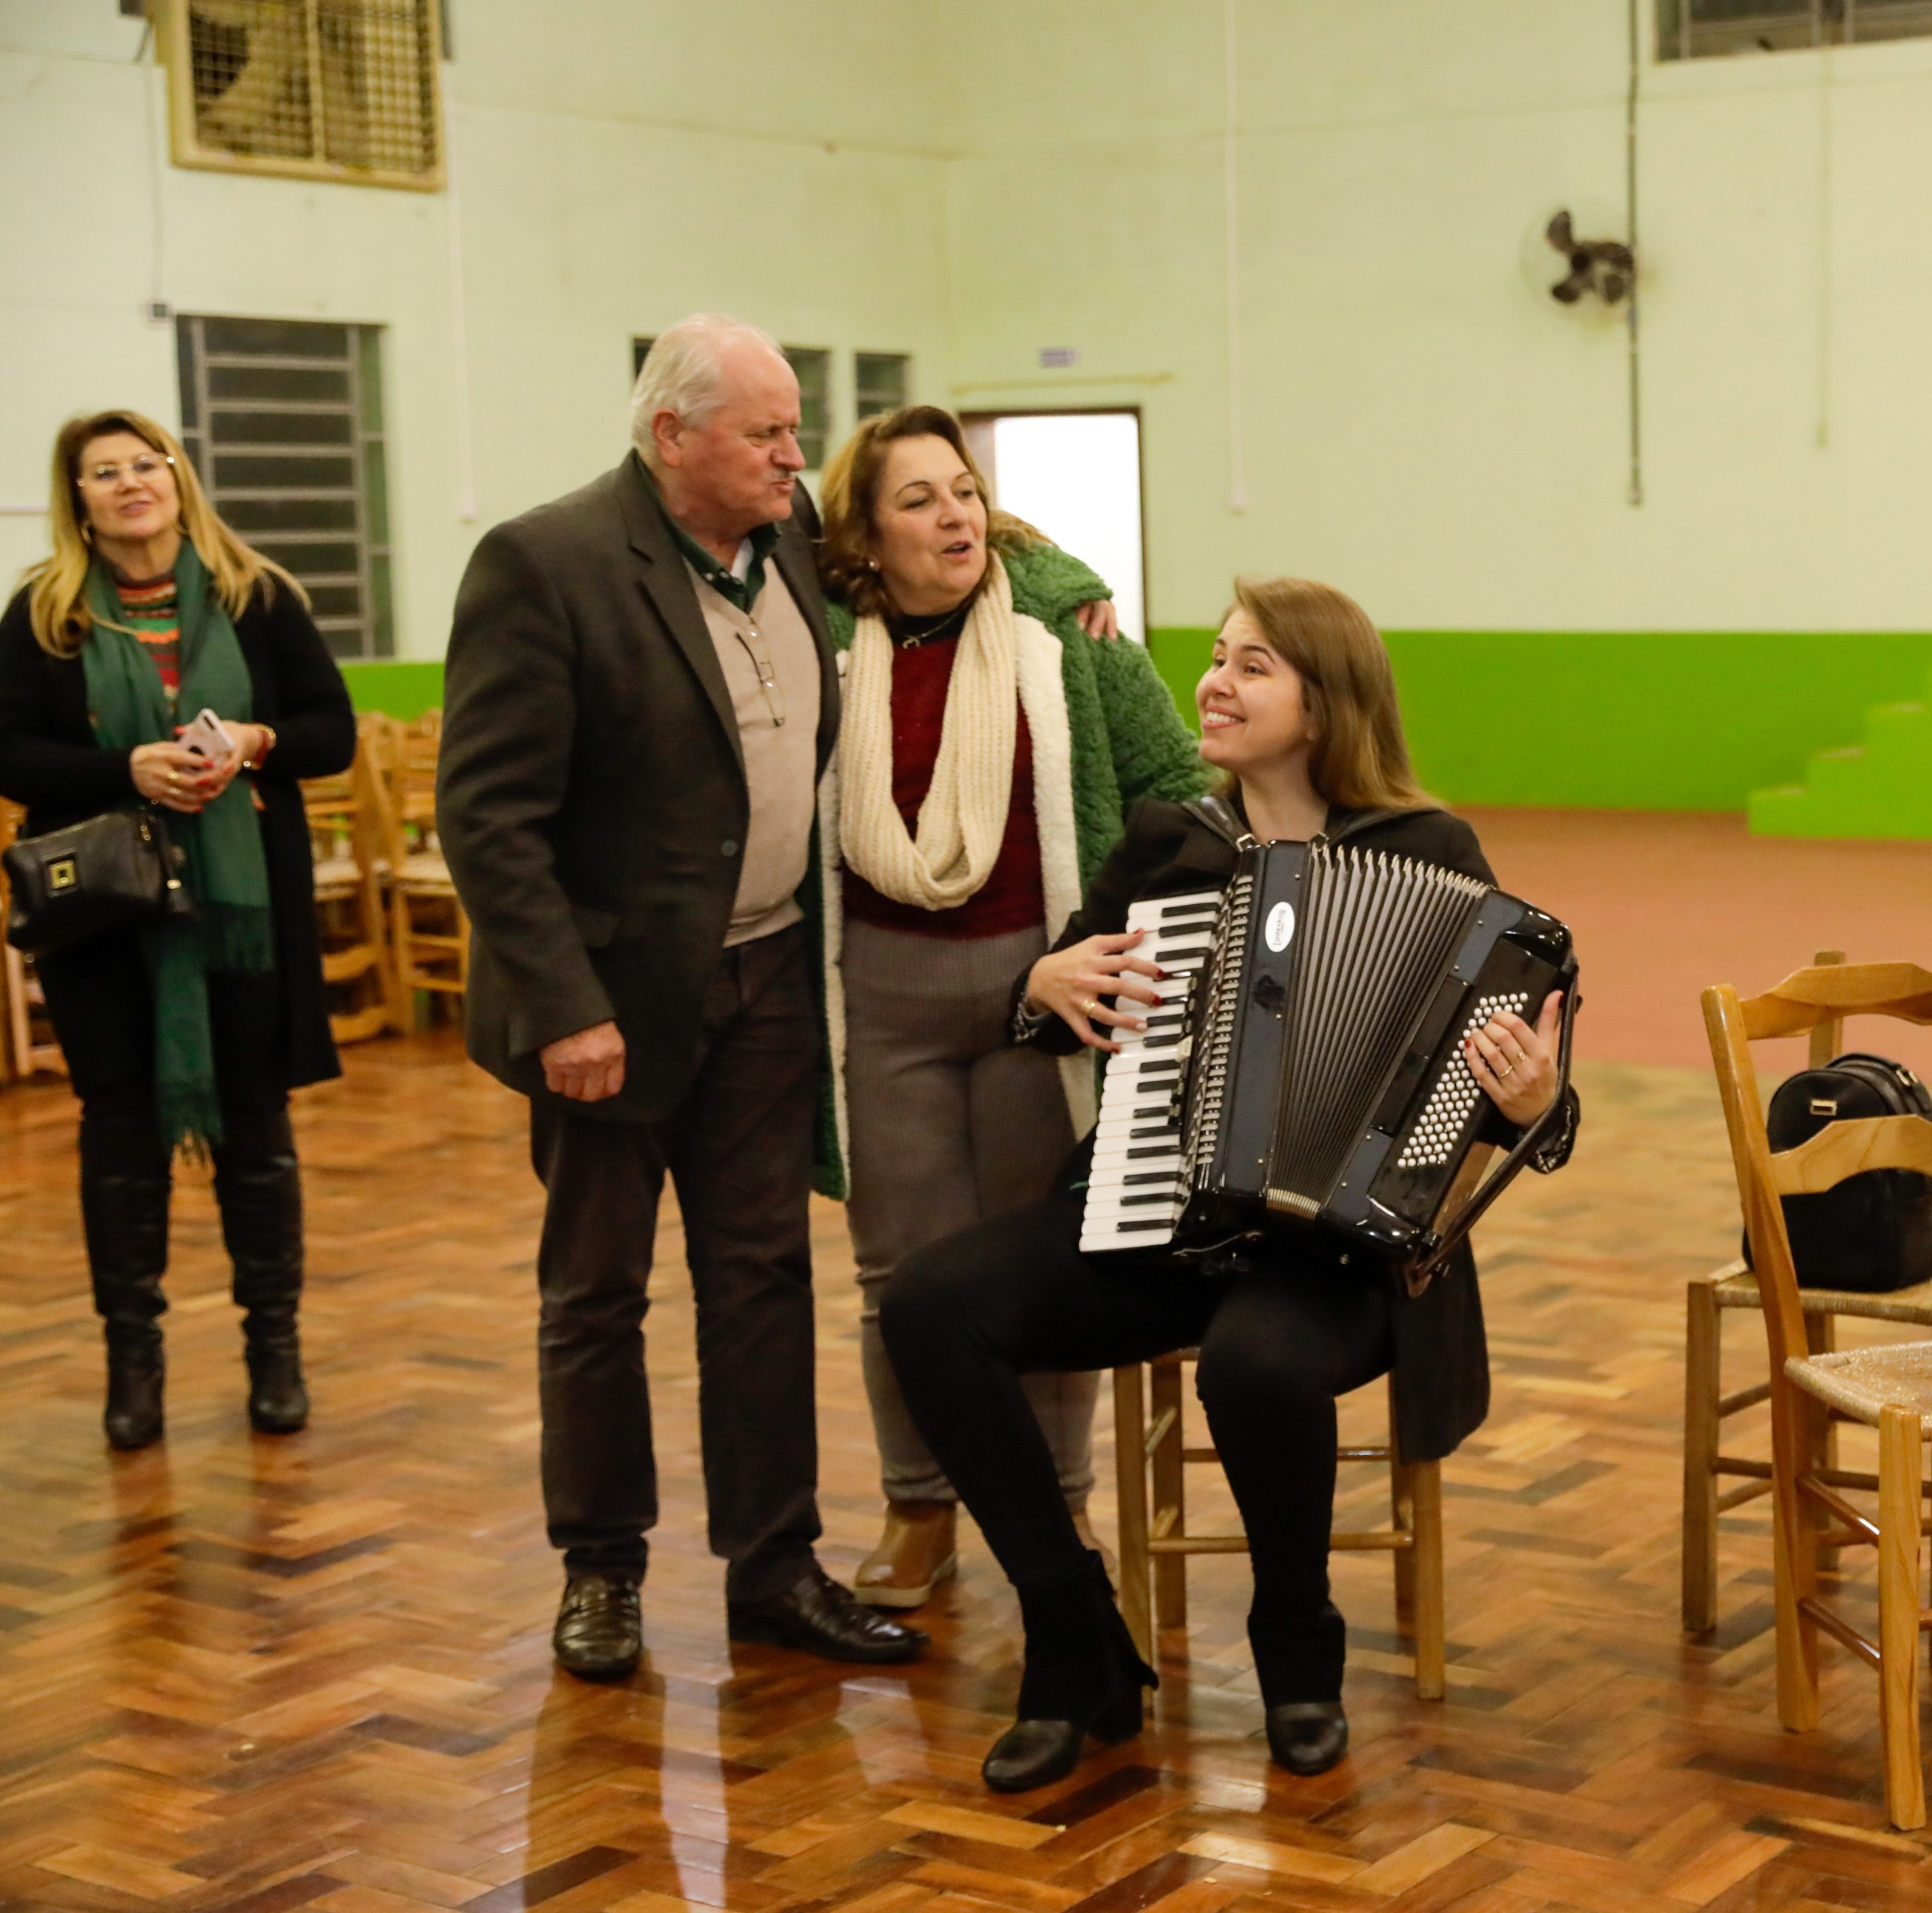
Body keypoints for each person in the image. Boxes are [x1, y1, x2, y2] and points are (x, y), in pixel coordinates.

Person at [879, 577, 1578, 1791]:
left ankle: (1297, 1647)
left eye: (1252, 665)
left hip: (1342, 1251)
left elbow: (1517, 1108)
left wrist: (1532, 1101)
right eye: (1216, 657)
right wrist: (1041, 989)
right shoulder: (1169, 844)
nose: (1213, 680)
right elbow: (1068, 1002)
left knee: (1255, 1362)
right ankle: (1073, 1636)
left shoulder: (1432, 852)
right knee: (930, 1307)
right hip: (1162, 1214)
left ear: (1326, 702)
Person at [437, 314, 922, 1682]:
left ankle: (773, 1564)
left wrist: (1076, 601)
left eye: (793, 430)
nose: (793, 454)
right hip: (609, 1004)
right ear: (671, 438)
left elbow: (960, 545)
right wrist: (565, 1006)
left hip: (764, 976)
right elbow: (488, 819)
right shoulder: (549, 562)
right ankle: (601, 1567)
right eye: (767, 433)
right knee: (597, 1292)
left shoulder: (790, 545)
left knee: (761, 1279)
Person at [807, 405, 1210, 1609]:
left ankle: (1061, 1506)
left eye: (965, 492)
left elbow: (1177, 788)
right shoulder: (825, 635)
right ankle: (919, 1504)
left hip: (1047, 989)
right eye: (919, 499)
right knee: (903, 1270)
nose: (954, 517)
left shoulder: (1062, 632)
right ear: (865, 538)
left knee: (1050, 1262)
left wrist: (1103, 946)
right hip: (881, 997)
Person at [0, 410, 354, 1451]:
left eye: (142, 463)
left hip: (245, 920)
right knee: (118, 1140)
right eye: (102, 472)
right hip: (105, 923)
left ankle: (274, 1354)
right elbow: (6, 750)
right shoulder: (42, 614)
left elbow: (328, 731)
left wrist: (255, 739)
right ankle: (134, 1365)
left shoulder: (259, 595)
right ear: (79, 502)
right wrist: (128, 769)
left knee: (257, 1135)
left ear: (175, 475)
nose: (127, 483)